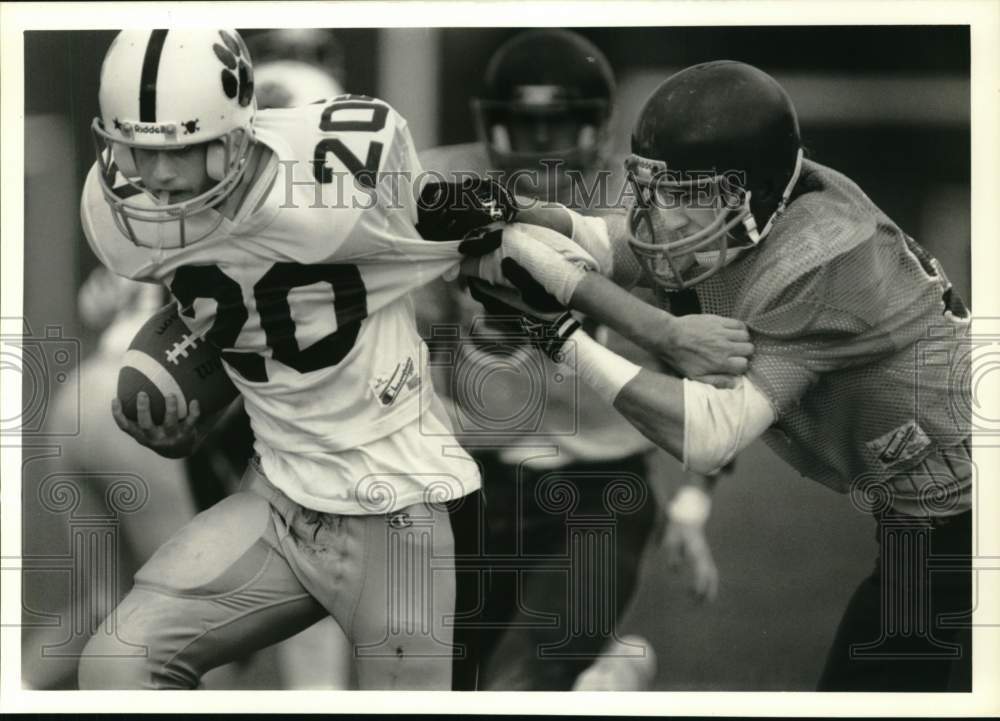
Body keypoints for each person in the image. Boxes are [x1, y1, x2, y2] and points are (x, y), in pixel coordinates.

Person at [461, 60, 972, 691]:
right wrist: (520, 212)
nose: (662, 212)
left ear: (751, 192)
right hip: (928, 522)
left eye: (687, 193)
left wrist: (558, 336)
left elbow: (711, 434)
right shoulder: (772, 209)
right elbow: (606, 241)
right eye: (656, 187)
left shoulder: (824, 256)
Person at [75, 27, 493, 690]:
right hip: (278, 489)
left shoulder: (334, 168)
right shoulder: (136, 205)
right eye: (136, 148)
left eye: (178, 149)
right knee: (115, 666)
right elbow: (227, 305)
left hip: (395, 497)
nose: (154, 174)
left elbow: (477, 238)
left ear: (236, 136)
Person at [415, 29, 719, 691]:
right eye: (524, 126)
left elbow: (710, 371)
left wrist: (693, 503)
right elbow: (418, 341)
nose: (541, 148)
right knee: (446, 686)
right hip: (479, 486)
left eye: (560, 127)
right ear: (489, 125)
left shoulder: (645, 213)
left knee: (518, 685)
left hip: (602, 491)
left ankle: (590, 667)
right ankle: (606, 670)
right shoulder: (442, 188)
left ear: (600, 128)